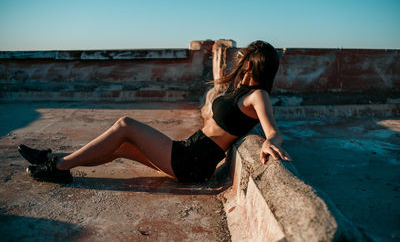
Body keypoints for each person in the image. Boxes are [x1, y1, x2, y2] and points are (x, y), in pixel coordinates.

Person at [18, 40, 291, 184]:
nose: (240, 61)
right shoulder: (240, 89)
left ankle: (57, 166)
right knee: (119, 147)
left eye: (245, 59)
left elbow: (273, 131)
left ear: (255, 65)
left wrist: (269, 144)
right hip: (187, 150)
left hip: (193, 163)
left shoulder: (259, 96)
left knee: (126, 125)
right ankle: (55, 159)